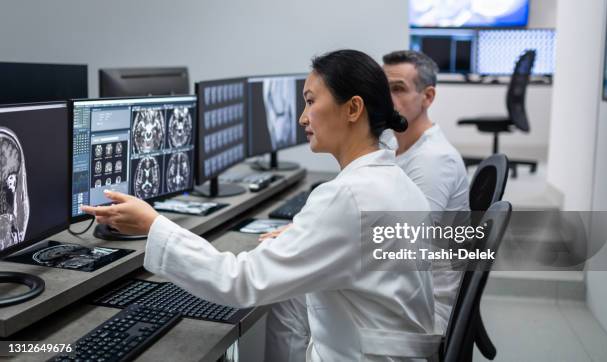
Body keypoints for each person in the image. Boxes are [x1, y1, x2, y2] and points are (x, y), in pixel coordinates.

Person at [82, 49, 439, 361]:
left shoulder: (347, 197)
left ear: (353, 108)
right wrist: (310, 235)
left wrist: (153, 225)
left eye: (311, 101)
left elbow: (239, 282)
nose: (302, 117)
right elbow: (360, 245)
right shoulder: (396, 182)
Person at [382, 50, 470, 334]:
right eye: (383, 90)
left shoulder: (432, 160)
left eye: (398, 89)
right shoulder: (397, 148)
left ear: (428, 97)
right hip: (406, 287)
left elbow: (407, 248)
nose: (387, 99)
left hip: (424, 306)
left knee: (295, 298)